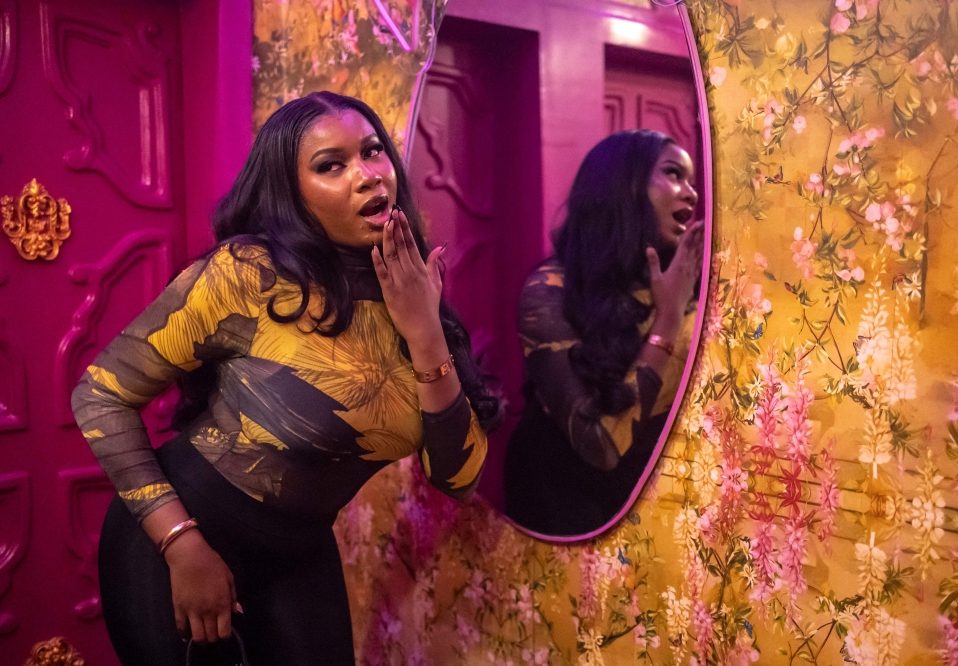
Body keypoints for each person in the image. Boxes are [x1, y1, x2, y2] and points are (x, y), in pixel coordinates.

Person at [72, 91, 500, 666]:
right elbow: (99, 395)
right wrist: (180, 544)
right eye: (332, 165)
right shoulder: (247, 274)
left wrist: (425, 333)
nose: (367, 175)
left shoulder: (414, 291)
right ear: (291, 192)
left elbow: (459, 477)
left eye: (373, 151)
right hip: (178, 541)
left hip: (300, 550)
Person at [503, 129, 704, 537]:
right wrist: (668, 319)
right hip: (562, 503)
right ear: (624, 186)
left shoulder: (685, 286)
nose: (692, 193)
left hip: (648, 507)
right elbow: (602, 445)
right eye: (673, 174)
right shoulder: (549, 290)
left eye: (691, 180)